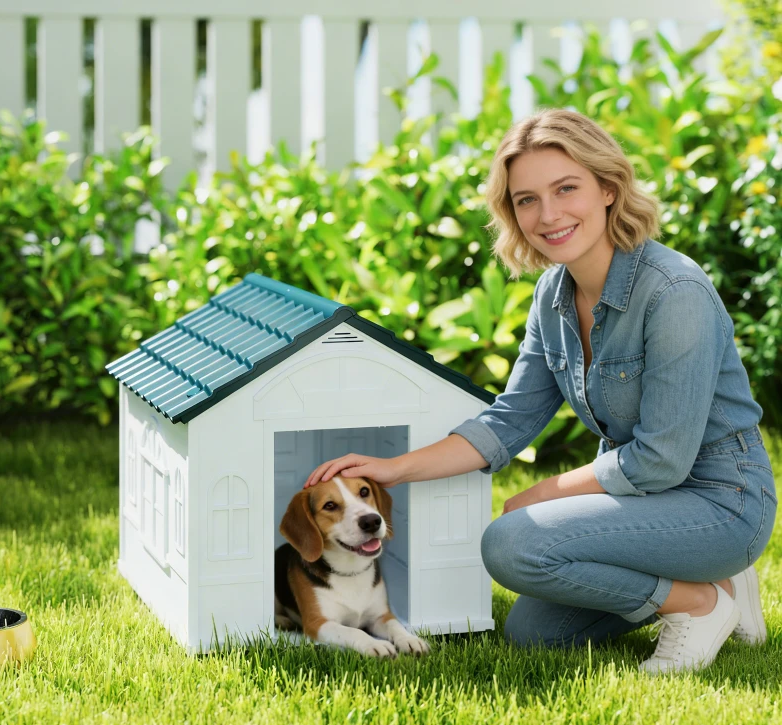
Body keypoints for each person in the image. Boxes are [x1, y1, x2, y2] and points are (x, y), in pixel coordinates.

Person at [304, 108, 778, 674]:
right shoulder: (553, 294)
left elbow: (661, 460)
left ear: (608, 188)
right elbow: (509, 422)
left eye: (566, 188)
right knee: (535, 632)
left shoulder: (674, 291)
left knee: (512, 544)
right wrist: (392, 468)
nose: (548, 214)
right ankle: (709, 584)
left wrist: (545, 492)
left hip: (722, 503)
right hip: (647, 504)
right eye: (526, 199)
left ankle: (698, 603)